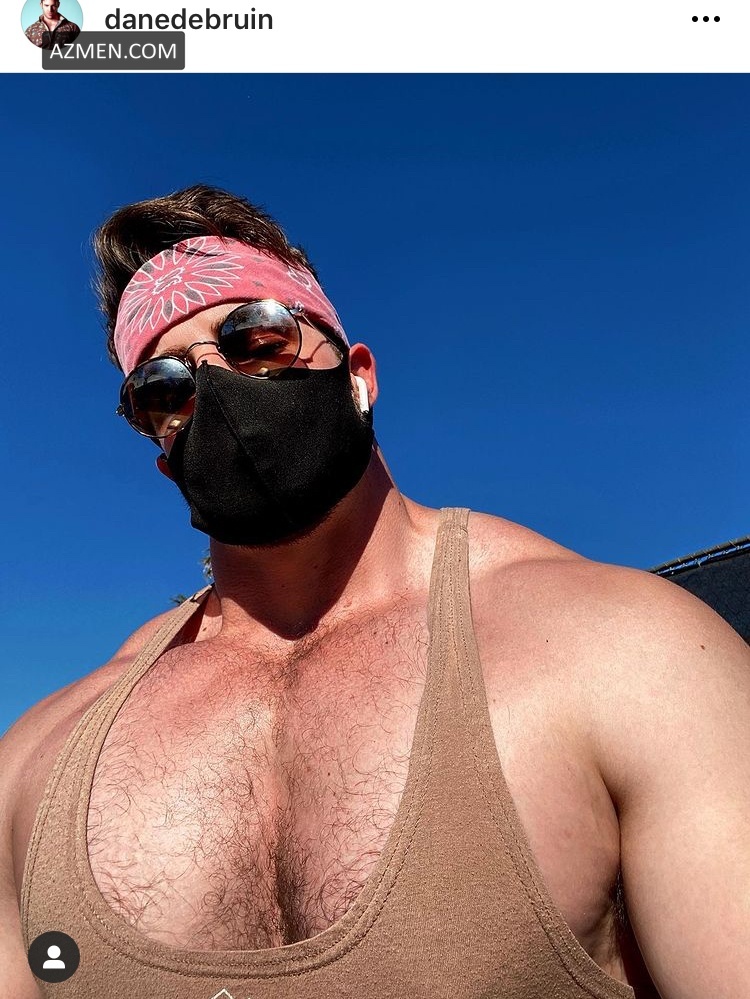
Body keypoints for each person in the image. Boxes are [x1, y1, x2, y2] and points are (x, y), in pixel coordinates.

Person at [1, 184, 748, 999]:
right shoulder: (33, 767)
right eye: (163, 387)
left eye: (258, 336)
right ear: (160, 454)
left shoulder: (630, 654)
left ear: (358, 375)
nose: (216, 387)